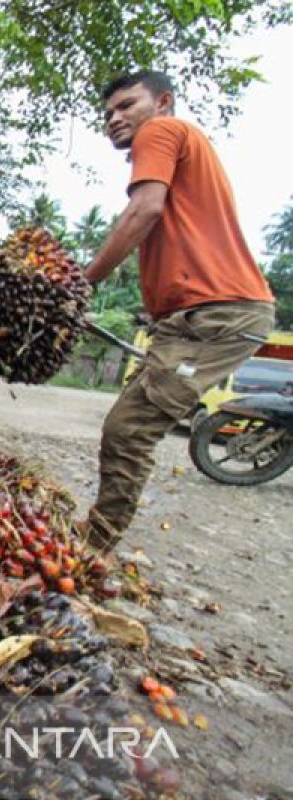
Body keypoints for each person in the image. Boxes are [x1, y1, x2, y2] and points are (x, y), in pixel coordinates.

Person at [78, 70, 275, 551]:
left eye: (127, 105)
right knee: (131, 422)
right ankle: (93, 539)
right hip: (202, 316)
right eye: (108, 113)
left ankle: (89, 550)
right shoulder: (182, 142)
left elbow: (143, 211)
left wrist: (79, 284)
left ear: (163, 102)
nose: (115, 119)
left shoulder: (161, 131)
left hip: (219, 314)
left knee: (129, 429)